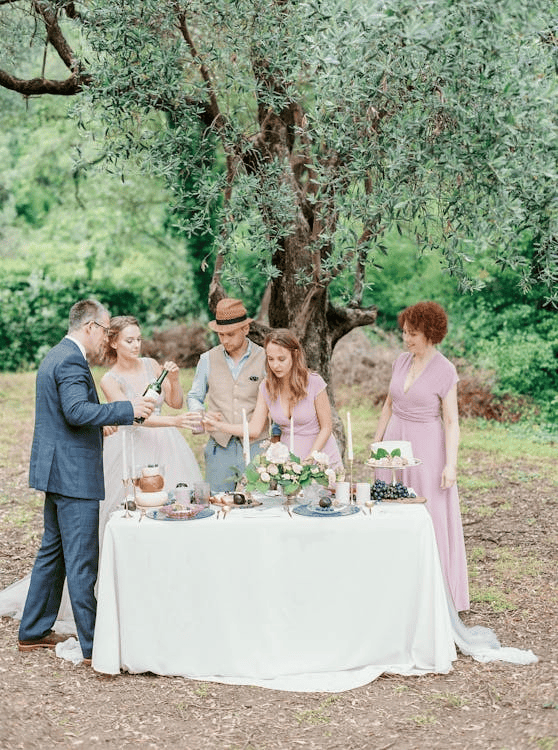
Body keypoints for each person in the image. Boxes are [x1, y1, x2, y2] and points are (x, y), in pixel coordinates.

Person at [16, 300, 154, 664]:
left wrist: (100, 424)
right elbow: (76, 411)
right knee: (81, 561)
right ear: (90, 326)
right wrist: (128, 410)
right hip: (73, 475)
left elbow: (68, 415)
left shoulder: (55, 354)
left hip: (57, 471)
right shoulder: (71, 360)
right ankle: (95, 646)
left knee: (53, 553)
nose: (106, 340)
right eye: (105, 331)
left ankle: (32, 630)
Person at [373, 301, 469, 612]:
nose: (406, 339)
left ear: (429, 333)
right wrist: (376, 443)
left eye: (412, 334)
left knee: (430, 517)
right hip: (394, 444)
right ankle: (396, 586)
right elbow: (388, 405)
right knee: (391, 509)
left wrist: (451, 464)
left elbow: (452, 421)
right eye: (404, 333)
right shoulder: (400, 362)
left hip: (428, 445)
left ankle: (435, 593)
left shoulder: (445, 370)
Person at [99, 315, 203, 532]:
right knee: (136, 507)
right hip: (131, 445)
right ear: (114, 342)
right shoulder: (109, 380)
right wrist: (175, 421)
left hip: (166, 442)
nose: (136, 345)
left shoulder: (151, 365)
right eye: (129, 340)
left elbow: (175, 403)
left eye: (139, 339)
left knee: (174, 503)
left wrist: (174, 380)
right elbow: (134, 418)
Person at [204, 328, 343, 470]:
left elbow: (326, 427)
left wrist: (310, 459)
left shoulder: (314, 382)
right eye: (271, 359)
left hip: (321, 457)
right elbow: (254, 429)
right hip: (290, 462)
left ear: (294, 355)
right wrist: (219, 426)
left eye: (281, 359)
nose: (275, 365)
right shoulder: (266, 387)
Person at [187, 298, 268, 493]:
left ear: (246, 329)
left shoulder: (265, 357)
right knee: (218, 505)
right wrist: (201, 414)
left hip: (257, 447)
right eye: (220, 335)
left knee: (257, 506)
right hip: (219, 447)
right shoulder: (207, 359)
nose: (224, 340)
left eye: (230, 334)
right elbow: (194, 396)